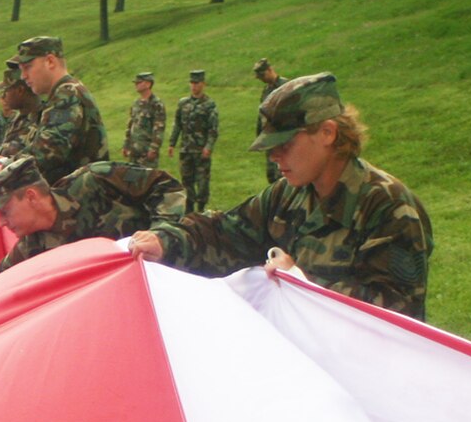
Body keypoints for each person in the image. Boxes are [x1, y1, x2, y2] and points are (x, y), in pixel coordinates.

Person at [129, 73, 433, 320]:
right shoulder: (289, 194)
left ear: (327, 133)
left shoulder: (388, 206)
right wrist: (165, 242)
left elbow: (397, 312)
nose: (274, 156)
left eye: (285, 144)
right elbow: (226, 232)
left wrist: (300, 280)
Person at [0, 156, 185, 275]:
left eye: (5, 211)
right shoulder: (31, 248)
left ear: (31, 197)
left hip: (175, 269)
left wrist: (160, 235)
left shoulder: (93, 182)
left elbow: (165, 186)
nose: (2, 222)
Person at [10, 35, 108, 186]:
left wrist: (7, 165)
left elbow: (47, 152)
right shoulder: (60, 94)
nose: (23, 76)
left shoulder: (67, 93)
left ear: (50, 61)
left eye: (28, 67)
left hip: (82, 198)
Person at [168, 69, 221, 212]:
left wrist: (208, 147)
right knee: (187, 181)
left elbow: (213, 129)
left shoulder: (209, 105)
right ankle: (189, 208)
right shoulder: (183, 103)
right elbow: (177, 124)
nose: (194, 86)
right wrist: (172, 143)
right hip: (186, 149)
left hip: (200, 150)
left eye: (197, 83)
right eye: (192, 83)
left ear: (203, 84)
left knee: (202, 182)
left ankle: (201, 208)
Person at [124, 71, 167, 168]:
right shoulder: (136, 103)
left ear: (148, 84)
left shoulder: (156, 104)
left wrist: (154, 148)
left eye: (139, 82)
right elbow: (130, 125)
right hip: (134, 151)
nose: (136, 85)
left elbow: (159, 128)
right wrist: (126, 144)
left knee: (147, 180)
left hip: (147, 152)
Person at [252, 57, 285, 184]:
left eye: (262, 75)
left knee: (282, 175)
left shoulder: (285, 87)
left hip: (282, 138)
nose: (261, 78)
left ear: (270, 70)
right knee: (271, 175)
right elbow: (262, 114)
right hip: (269, 139)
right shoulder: (266, 91)